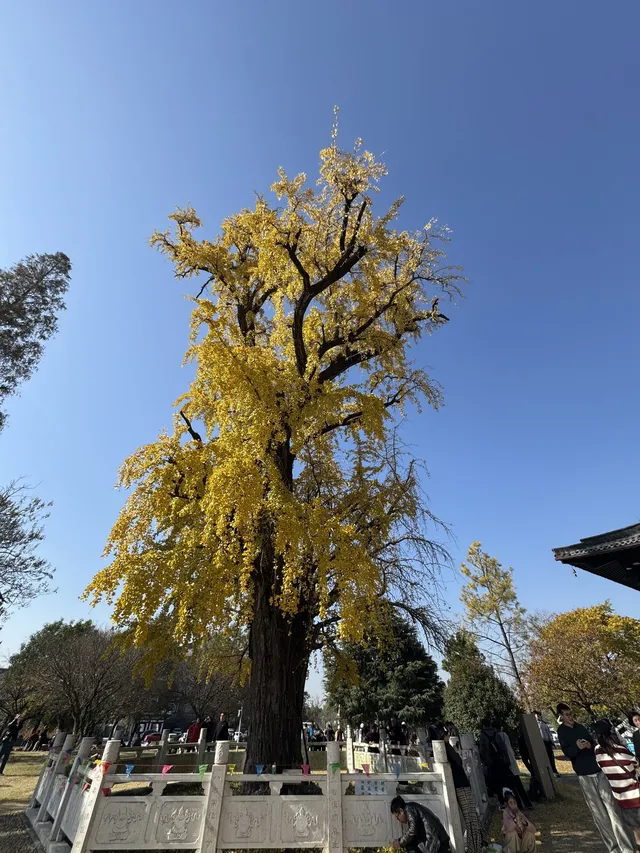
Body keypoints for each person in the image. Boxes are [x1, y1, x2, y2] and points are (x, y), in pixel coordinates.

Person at [557, 702, 635, 853]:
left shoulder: (580, 727)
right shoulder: (562, 732)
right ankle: (614, 849)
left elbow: (594, 743)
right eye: (566, 715)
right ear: (561, 716)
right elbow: (567, 752)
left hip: (598, 771)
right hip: (584, 775)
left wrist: (588, 745)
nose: (570, 717)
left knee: (613, 810)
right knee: (600, 814)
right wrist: (577, 748)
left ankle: (627, 848)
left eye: (571, 713)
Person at [594, 720, 640, 849]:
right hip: (636, 794)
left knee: (637, 831)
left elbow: (600, 766)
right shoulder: (621, 750)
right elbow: (635, 763)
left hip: (622, 798)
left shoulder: (597, 751)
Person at [442, 727, 485, 853]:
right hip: (462, 785)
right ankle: (476, 845)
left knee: (470, 818)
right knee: (471, 817)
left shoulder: (447, 749)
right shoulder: (447, 749)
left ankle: (475, 846)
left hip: (460, 786)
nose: (448, 737)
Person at [496, 726, 533, 809]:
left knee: (512, 787)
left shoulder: (498, 736)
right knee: (518, 785)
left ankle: (519, 804)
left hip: (507, 765)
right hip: (512, 762)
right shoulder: (505, 735)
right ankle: (526, 803)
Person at [479, 718, 513, 804]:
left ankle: (501, 801)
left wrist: (485, 762)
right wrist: (506, 759)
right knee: (504, 780)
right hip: (500, 760)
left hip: (491, 762)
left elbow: (482, 750)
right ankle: (509, 798)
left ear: (483, 725)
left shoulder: (483, 735)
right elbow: (503, 748)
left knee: (496, 782)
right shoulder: (496, 733)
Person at [535, 710, 560, 777]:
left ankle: (554, 771)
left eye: (538, 716)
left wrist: (552, 742)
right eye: (536, 716)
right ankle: (546, 772)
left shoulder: (544, 724)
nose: (537, 717)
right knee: (543, 758)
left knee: (550, 757)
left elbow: (549, 733)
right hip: (540, 742)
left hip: (547, 742)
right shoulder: (534, 725)